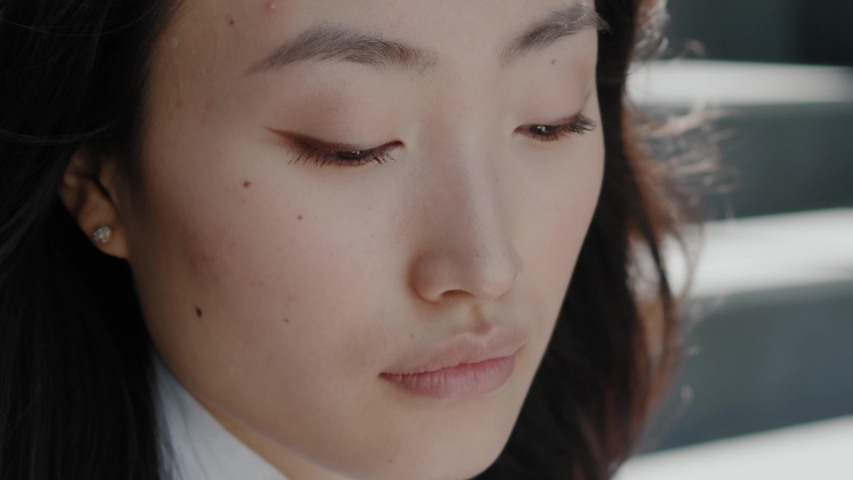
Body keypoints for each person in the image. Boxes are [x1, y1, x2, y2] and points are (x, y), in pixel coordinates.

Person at [0, 0, 691, 478]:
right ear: (97, 178)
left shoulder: (575, 439)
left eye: (550, 118)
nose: (486, 267)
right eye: (351, 146)